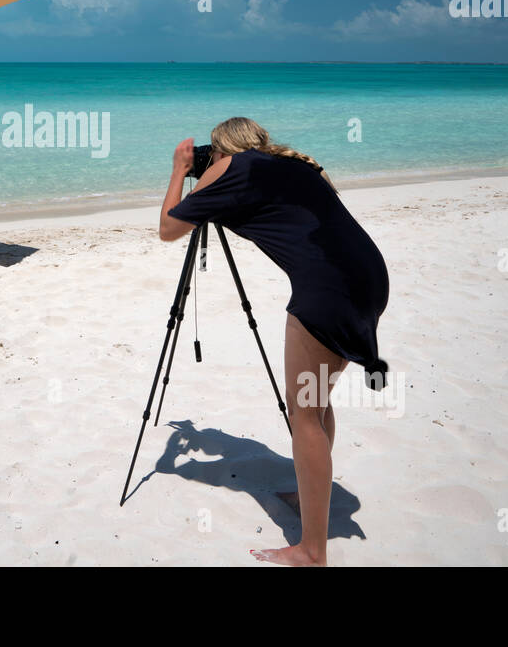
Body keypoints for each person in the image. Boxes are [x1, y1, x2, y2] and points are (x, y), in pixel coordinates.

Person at [158, 116, 389, 567]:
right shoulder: (296, 165)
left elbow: (168, 228)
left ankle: (311, 552)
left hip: (327, 294)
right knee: (317, 403)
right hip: (369, 280)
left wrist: (178, 169)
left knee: (304, 413)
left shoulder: (236, 167)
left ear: (224, 150)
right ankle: (310, 498)